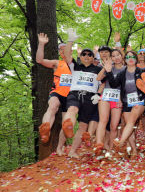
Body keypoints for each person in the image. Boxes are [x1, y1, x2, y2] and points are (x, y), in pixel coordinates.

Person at [61, 29, 102, 158]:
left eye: (90, 54)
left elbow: (105, 83)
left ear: (93, 57)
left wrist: (99, 95)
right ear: (80, 56)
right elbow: (67, 56)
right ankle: (69, 127)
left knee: (83, 126)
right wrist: (70, 41)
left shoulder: (98, 69)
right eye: (84, 54)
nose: (86, 56)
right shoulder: (75, 66)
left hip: (90, 98)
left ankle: (73, 151)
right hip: (75, 94)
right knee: (72, 109)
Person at [105, 51, 145, 155]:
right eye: (128, 57)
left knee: (131, 121)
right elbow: (114, 84)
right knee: (129, 125)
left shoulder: (141, 72)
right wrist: (109, 71)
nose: (130, 58)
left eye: (132, 56)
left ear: (136, 59)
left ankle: (121, 142)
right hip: (127, 101)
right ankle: (134, 150)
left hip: (140, 101)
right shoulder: (122, 73)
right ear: (125, 60)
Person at [36, 33, 71, 146]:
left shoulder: (77, 64)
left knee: (66, 123)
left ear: (70, 51)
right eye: (60, 50)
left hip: (71, 96)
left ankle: (60, 148)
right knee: (53, 106)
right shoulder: (57, 63)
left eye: (65, 49)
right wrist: (41, 44)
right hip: (57, 92)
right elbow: (39, 60)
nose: (63, 51)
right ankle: (45, 130)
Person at [94, 49, 124, 155]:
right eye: (113, 56)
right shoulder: (108, 68)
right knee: (103, 120)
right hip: (106, 96)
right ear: (111, 58)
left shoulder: (126, 69)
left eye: (118, 55)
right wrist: (105, 68)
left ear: (121, 56)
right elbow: (98, 78)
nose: (116, 57)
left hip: (118, 98)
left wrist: (121, 99)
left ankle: (111, 149)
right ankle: (99, 144)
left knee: (114, 126)